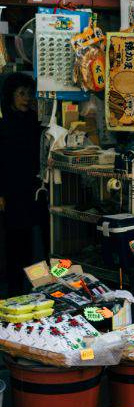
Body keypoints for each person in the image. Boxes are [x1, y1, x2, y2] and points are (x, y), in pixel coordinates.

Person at [0, 73, 46, 296]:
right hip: (11, 191)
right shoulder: (3, 124)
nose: (26, 98)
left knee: (33, 241)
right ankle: (15, 290)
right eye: (21, 94)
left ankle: (35, 287)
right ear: (10, 96)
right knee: (14, 241)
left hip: (34, 190)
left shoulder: (35, 121)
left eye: (28, 94)